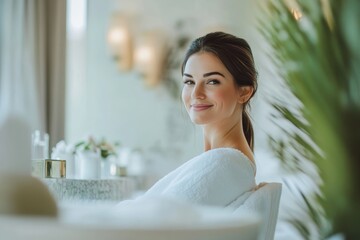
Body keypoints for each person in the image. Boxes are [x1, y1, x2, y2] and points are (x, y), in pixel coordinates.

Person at [142, 31, 258, 207]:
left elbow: (158, 222)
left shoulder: (226, 164)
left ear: (244, 92)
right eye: (189, 82)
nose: (196, 94)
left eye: (212, 81)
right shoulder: (223, 162)